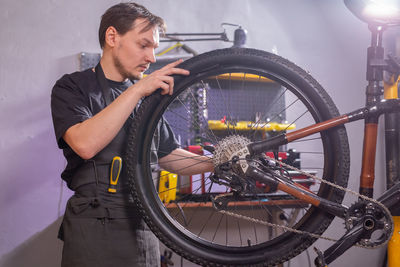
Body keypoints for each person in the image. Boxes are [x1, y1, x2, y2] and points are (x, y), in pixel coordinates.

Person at [51, 3, 213, 267]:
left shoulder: (144, 100)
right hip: (92, 230)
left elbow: (169, 156)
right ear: (112, 37)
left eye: (154, 48)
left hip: (142, 227)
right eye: (143, 45)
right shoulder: (72, 87)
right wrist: (137, 91)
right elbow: (84, 144)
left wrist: (219, 162)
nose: (151, 57)